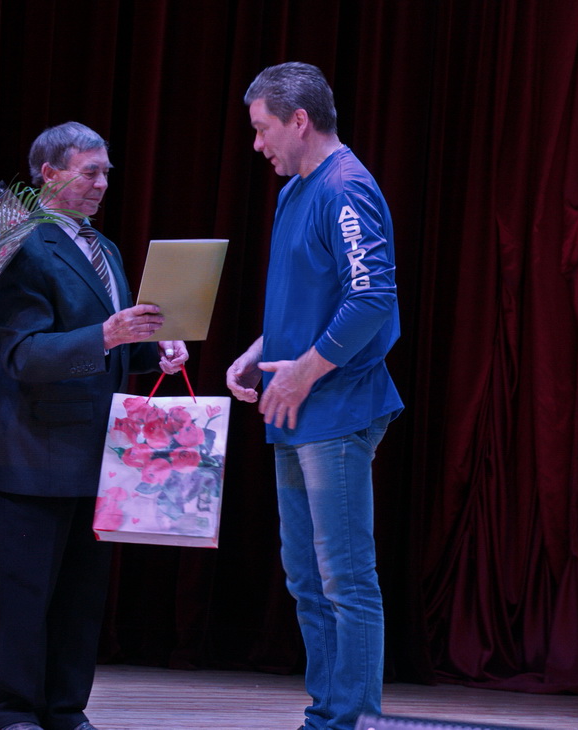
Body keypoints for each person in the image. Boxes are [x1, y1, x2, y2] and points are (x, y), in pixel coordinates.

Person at [0, 121, 188, 730]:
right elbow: (20, 355)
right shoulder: (16, 242)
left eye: (106, 172)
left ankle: (66, 708)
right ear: (50, 173)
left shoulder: (105, 249)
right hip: (32, 447)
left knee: (81, 597)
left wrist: (153, 349)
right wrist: (108, 334)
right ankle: (14, 711)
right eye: (90, 172)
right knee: (25, 593)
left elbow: (110, 349)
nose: (102, 183)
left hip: (96, 448)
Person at [226, 62, 404, 730]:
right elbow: (310, 296)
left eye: (262, 128)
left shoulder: (345, 187)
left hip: (336, 406)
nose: (257, 144)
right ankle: (327, 714)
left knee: (344, 577)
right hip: (295, 408)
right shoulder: (295, 191)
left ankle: (351, 721)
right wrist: (260, 351)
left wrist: (304, 370)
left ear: (299, 120)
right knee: (305, 578)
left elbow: (371, 297)